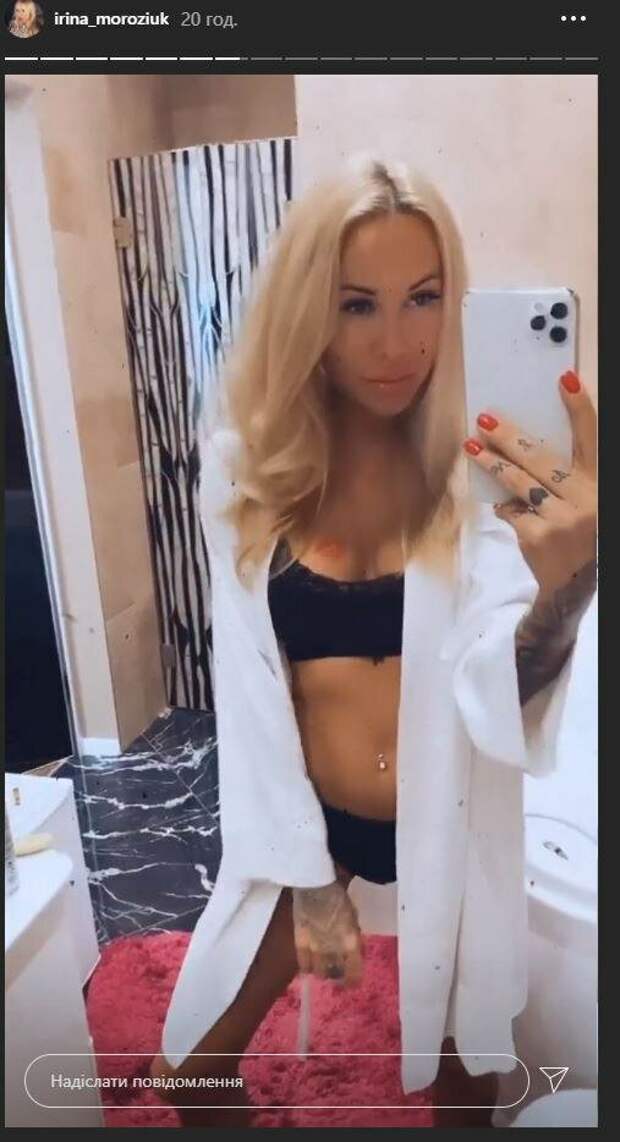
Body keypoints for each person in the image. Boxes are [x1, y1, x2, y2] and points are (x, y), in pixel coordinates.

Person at [149, 155, 596, 1127]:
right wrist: (311, 882)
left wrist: (565, 586)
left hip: (452, 823)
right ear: (308, 311)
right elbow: (252, 696)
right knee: (190, 1073)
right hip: (307, 823)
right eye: (357, 305)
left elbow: (500, 686)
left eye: (422, 297)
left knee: (465, 1085)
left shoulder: (476, 471)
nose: (397, 343)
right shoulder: (245, 472)